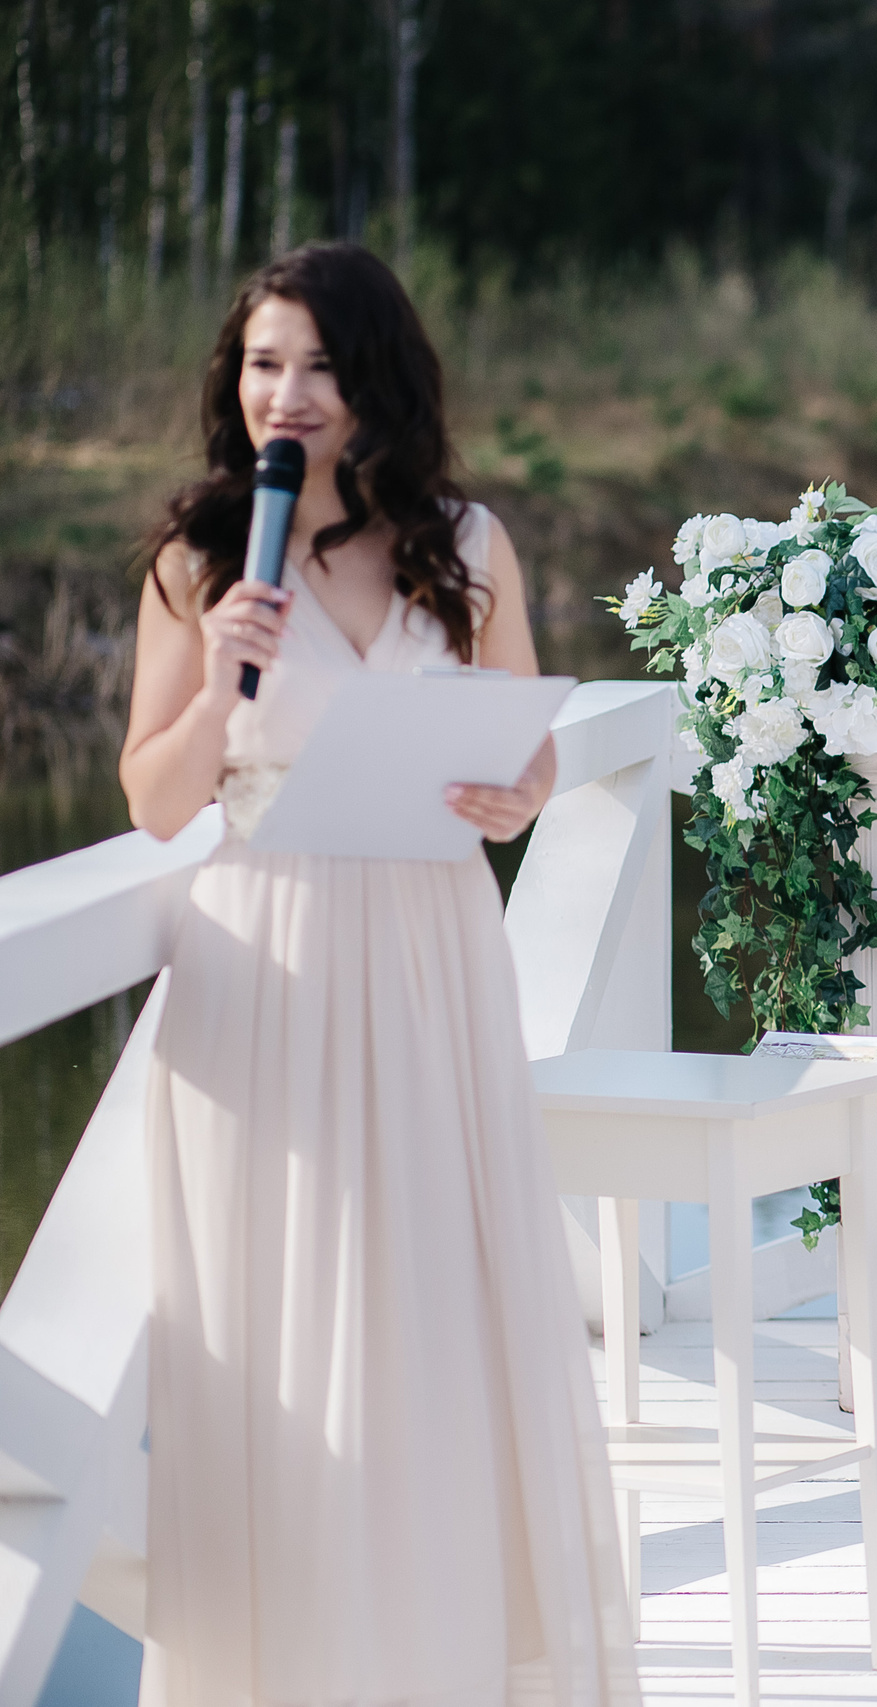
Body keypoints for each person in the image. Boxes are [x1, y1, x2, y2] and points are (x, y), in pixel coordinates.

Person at [121, 243, 638, 1702]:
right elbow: (156, 804)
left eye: (318, 365)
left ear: (374, 382)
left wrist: (511, 791)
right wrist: (222, 670)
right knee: (277, 1331)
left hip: (429, 956)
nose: (285, 392)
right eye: (261, 362)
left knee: (433, 1316)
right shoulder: (197, 557)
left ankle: (434, 1654)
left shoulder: (464, 542)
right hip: (266, 967)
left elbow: (529, 749)